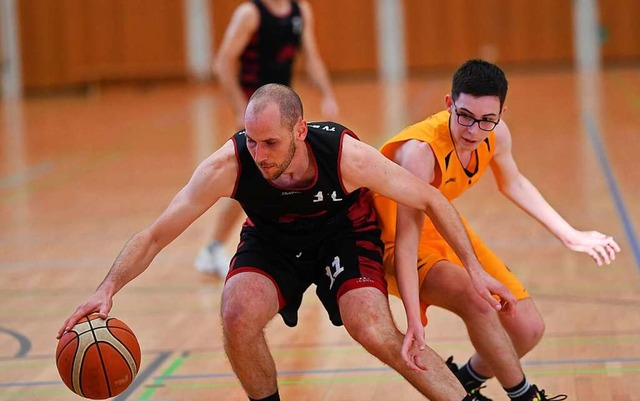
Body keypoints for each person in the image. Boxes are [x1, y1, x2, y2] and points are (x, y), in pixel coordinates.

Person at [58, 84, 517, 401]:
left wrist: (475, 271)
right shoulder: (229, 164)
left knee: (374, 330)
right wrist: (107, 288)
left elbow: (432, 199)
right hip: (274, 239)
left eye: (271, 143)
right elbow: (155, 235)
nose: (258, 155)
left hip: (343, 234)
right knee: (236, 313)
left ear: (300, 131)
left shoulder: (344, 155)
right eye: (252, 141)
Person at [372, 59, 621, 401]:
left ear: (502, 113)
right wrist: (413, 318)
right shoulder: (421, 153)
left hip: (440, 226)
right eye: (465, 116)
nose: (474, 130)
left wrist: (571, 235)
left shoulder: (496, 134)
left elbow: (514, 183)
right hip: (390, 239)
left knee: (527, 329)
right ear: (449, 104)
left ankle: (462, 382)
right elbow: (406, 239)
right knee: (477, 299)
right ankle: (525, 396)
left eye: (487, 120)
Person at [195, 0, 339, 276]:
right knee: (247, 178)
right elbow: (223, 63)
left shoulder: (300, 10)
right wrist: (241, 109)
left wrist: (327, 94)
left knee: (283, 174)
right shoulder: (250, 13)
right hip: (256, 117)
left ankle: (284, 243)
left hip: (280, 114)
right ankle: (213, 248)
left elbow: (311, 57)